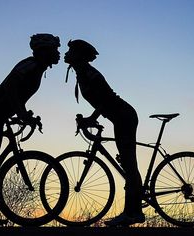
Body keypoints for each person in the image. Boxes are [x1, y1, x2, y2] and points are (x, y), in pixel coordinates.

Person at [0, 33, 60, 226]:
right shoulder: (31, 64)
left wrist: (25, 114)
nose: (58, 53)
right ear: (44, 51)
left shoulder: (37, 69)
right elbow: (10, 87)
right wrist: (21, 113)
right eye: (54, 49)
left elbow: (17, 95)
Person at [64, 39, 145, 226]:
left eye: (71, 50)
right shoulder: (82, 73)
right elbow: (103, 103)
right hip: (119, 117)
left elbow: (106, 100)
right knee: (127, 163)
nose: (67, 54)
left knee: (129, 164)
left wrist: (92, 118)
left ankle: (132, 213)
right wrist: (91, 118)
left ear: (80, 55)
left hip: (124, 117)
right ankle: (134, 212)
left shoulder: (90, 74)